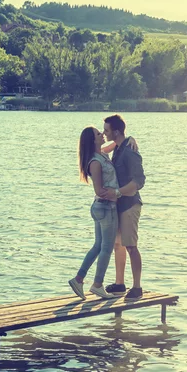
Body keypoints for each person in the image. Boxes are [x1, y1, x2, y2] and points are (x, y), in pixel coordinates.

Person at [68, 126, 120, 300]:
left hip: (100, 208)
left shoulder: (101, 153)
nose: (103, 134)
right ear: (93, 140)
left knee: (98, 246)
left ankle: (78, 279)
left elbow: (115, 144)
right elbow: (99, 190)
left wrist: (129, 140)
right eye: (99, 134)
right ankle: (97, 285)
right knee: (106, 248)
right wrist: (116, 193)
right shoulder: (96, 161)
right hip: (106, 207)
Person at [100, 114, 146, 301]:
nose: (104, 133)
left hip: (129, 205)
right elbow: (102, 151)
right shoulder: (120, 147)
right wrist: (127, 139)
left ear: (116, 131)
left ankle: (137, 287)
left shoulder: (130, 152)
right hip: (118, 205)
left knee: (131, 246)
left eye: (106, 130)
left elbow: (139, 181)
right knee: (117, 245)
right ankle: (119, 284)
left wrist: (118, 193)